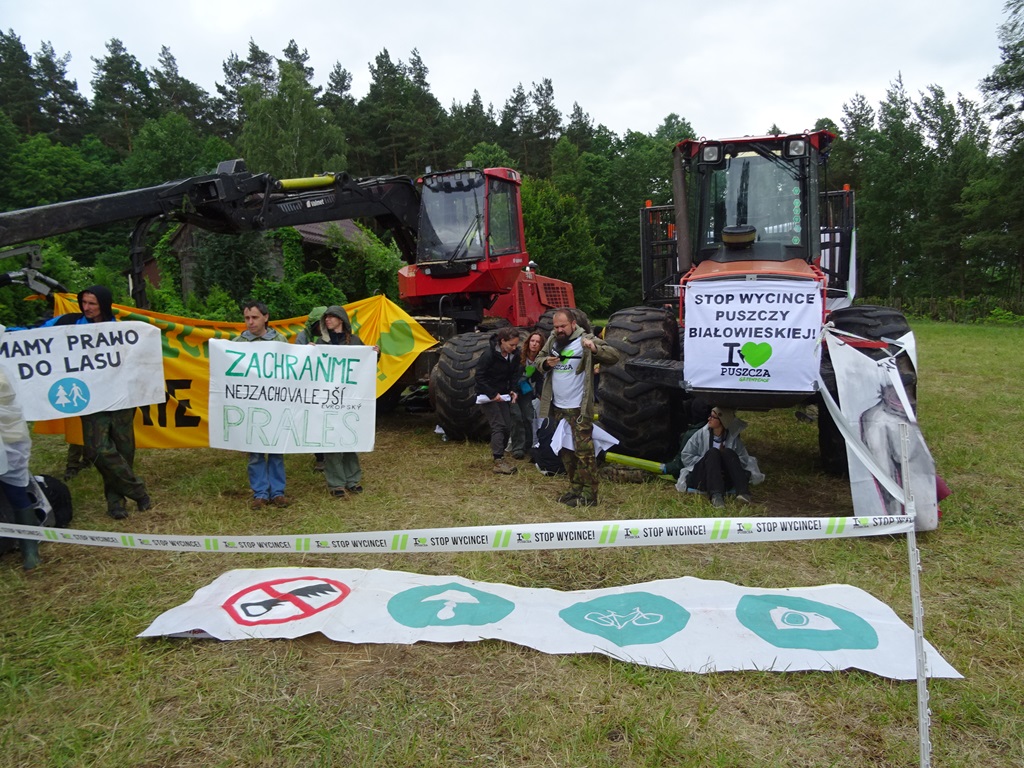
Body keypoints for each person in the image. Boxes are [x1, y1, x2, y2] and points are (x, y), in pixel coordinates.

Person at [47, 286, 151, 520]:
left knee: (124, 449)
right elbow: (35, 336)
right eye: (84, 302)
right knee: (97, 449)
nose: (87, 308)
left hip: (121, 397)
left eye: (92, 303)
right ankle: (138, 490)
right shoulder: (70, 324)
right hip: (91, 398)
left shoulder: (121, 329)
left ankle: (116, 503)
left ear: (104, 304)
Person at [538, 308, 620, 506]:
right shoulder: (552, 340)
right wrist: (546, 363)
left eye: (563, 326)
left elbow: (614, 356)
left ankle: (589, 495)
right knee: (566, 450)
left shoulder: (585, 339)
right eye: (556, 326)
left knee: (584, 453)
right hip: (558, 407)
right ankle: (575, 489)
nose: (559, 330)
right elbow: (538, 359)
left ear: (573, 324)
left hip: (579, 409)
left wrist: (594, 349)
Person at [310, 305, 376, 498]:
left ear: (341, 319)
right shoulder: (321, 342)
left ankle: (353, 480)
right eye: (326, 318)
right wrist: (310, 353)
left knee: (350, 440)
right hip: (328, 399)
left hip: (350, 399)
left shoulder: (354, 341)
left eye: (331, 316)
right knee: (331, 442)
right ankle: (336, 483)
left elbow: (365, 364)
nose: (328, 320)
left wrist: (374, 353)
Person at [235, 300, 289, 509]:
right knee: (255, 452)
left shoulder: (280, 340)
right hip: (250, 407)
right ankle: (260, 493)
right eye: (247, 318)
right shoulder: (237, 343)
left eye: (255, 317)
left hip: (274, 404)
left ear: (265, 317)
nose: (250, 322)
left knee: (275, 449)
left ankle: (277, 492)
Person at [0, 328, 46, 570]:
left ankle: (30, 549)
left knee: (16, 491)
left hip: (7, 441)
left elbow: (9, 408)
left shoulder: (2, 374)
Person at [675, 406, 763, 508]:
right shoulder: (700, 434)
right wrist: (708, 461)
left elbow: (743, 460)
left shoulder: (732, 439)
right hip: (703, 477)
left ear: (722, 421)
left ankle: (743, 492)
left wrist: (724, 462)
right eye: (710, 416)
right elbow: (686, 456)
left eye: (713, 417)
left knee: (728, 453)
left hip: (724, 478)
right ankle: (716, 496)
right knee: (713, 453)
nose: (709, 419)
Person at [475, 327, 522, 475]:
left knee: (507, 426)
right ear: (502, 341)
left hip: (503, 394)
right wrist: (492, 394)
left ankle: (501, 455)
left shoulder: (514, 355)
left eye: (516, 345)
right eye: (511, 345)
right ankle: (498, 460)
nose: (514, 348)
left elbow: (514, 374)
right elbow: (479, 376)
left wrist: (513, 390)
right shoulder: (488, 355)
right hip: (487, 395)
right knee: (498, 425)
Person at [294, 306, 328, 472]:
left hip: (328, 386)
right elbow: (296, 361)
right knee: (314, 422)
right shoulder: (303, 336)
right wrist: (306, 351)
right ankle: (320, 458)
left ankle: (333, 455)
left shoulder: (331, 335)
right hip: (310, 388)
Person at [510, 329, 545, 461]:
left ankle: (529, 445)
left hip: (525, 390)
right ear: (528, 342)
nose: (534, 344)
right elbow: (511, 374)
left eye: (538, 342)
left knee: (529, 416)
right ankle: (517, 448)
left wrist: (540, 394)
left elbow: (539, 378)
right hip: (512, 390)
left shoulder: (539, 360)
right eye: (532, 341)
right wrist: (512, 390)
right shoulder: (518, 356)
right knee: (517, 417)